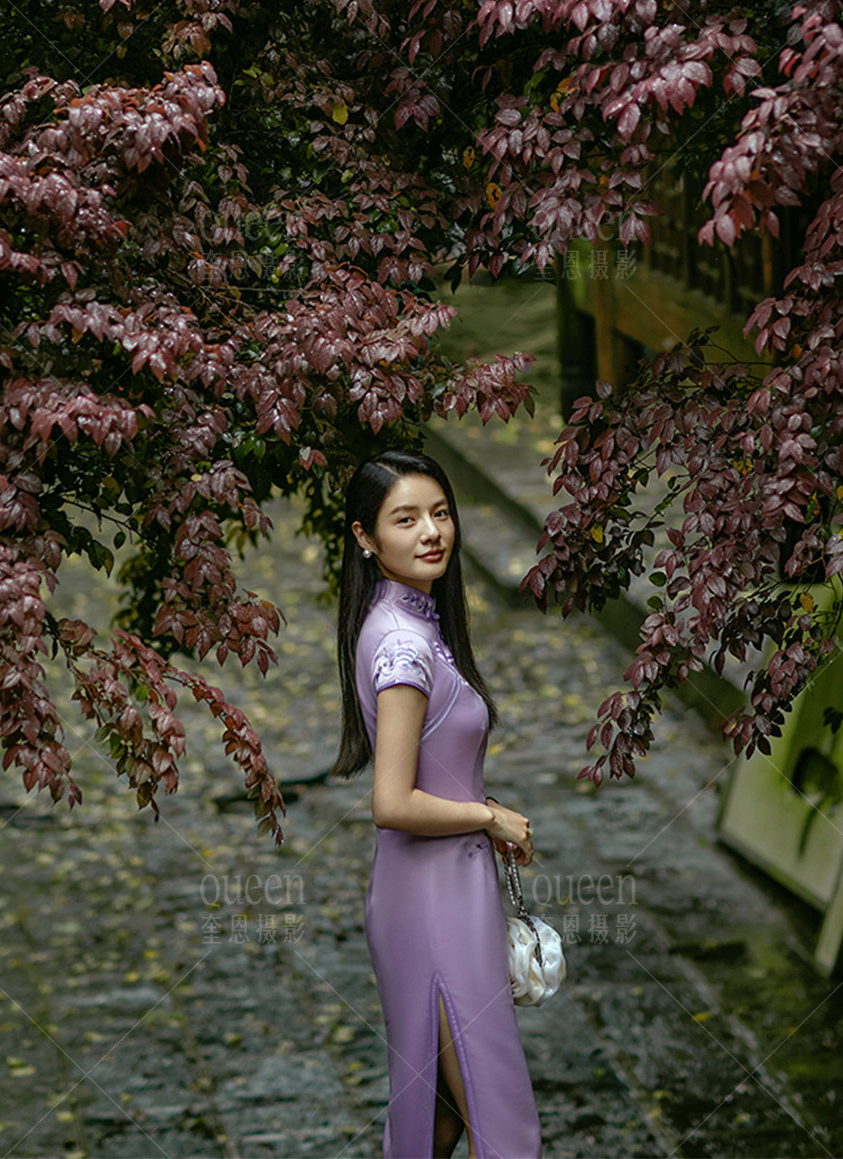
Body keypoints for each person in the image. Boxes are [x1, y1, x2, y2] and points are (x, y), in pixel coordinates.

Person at [331, 448, 543, 1159]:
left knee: (439, 1120)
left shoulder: (416, 628)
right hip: (432, 905)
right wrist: (488, 817)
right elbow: (391, 801)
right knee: (502, 1128)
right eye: (406, 519)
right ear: (365, 536)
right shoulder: (402, 646)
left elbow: (432, 774)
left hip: (445, 889)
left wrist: (480, 812)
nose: (432, 532)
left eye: (441, 513)